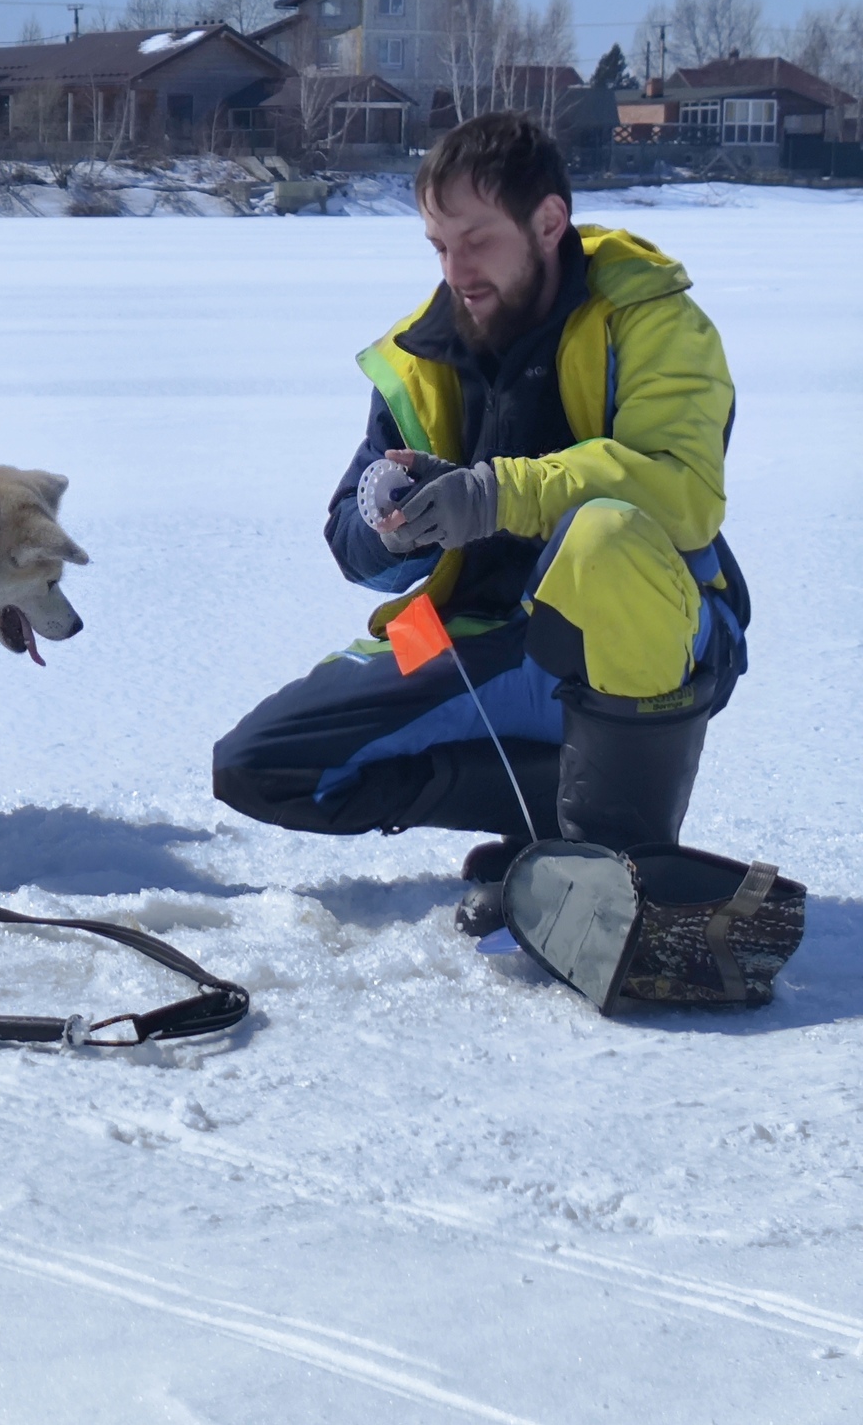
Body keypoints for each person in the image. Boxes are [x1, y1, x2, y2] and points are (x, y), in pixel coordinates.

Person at [211, 109, 747, 933]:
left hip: (652, 633)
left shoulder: (651, 320)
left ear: (548, 222)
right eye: (437, 246)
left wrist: (496, 494)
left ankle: (618, 859)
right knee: (258, 766)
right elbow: (353, 548)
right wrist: (387, 520)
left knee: (602, 537)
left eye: (477, 240)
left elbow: (682, 492)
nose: (456, 269)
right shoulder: (424, 351)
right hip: (476, 633)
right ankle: (558, 823)